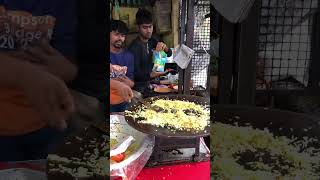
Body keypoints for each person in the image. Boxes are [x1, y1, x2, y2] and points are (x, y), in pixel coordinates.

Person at [0, 0, 77, 161]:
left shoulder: (63, 6)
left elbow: (69, 67)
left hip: (48, 122)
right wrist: (22, 74)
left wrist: (68, 71)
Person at [128, 8, 173, 96]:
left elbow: (169, 54)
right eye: (145, 27)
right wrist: (152, 74)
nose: (148, 31)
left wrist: (166, 48)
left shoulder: (152, 40)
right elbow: (136, 75)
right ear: (138, 27)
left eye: (150, 27)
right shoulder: (134, 48)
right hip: (139, 89)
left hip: (151, 84)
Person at [110, 19, 134, 112]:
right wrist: (117, 84)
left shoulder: (129, 56)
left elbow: (132, 82)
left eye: (123, 35)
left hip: (123, 102)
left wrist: (129, 83)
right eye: (116, 34)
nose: (120, 38)